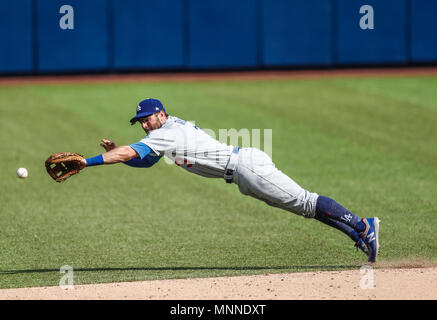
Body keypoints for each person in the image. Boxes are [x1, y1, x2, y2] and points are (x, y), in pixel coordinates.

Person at [82, 98, 380, 262]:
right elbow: (145, 160)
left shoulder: (166, 132)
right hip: (243, 170)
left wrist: (88, 162)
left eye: (147, 118)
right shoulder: (168, 130)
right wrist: (120, 154)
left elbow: (130, 153)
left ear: (161, 114)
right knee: (303, 207)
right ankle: (358, 233)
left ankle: (362, 224)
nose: (144, 124)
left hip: (246, 168)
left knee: (305, 200)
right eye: (141, 121)